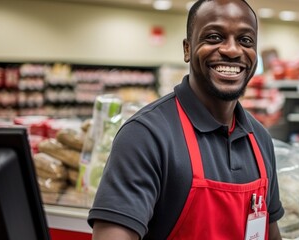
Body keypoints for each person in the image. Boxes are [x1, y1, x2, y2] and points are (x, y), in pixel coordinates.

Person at [87, 0, 284, 239]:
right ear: (187, 49)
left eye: (245, 40)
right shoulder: (146, 135)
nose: (232, 50)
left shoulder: (260, 138)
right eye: (213, 37)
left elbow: (270, 234)